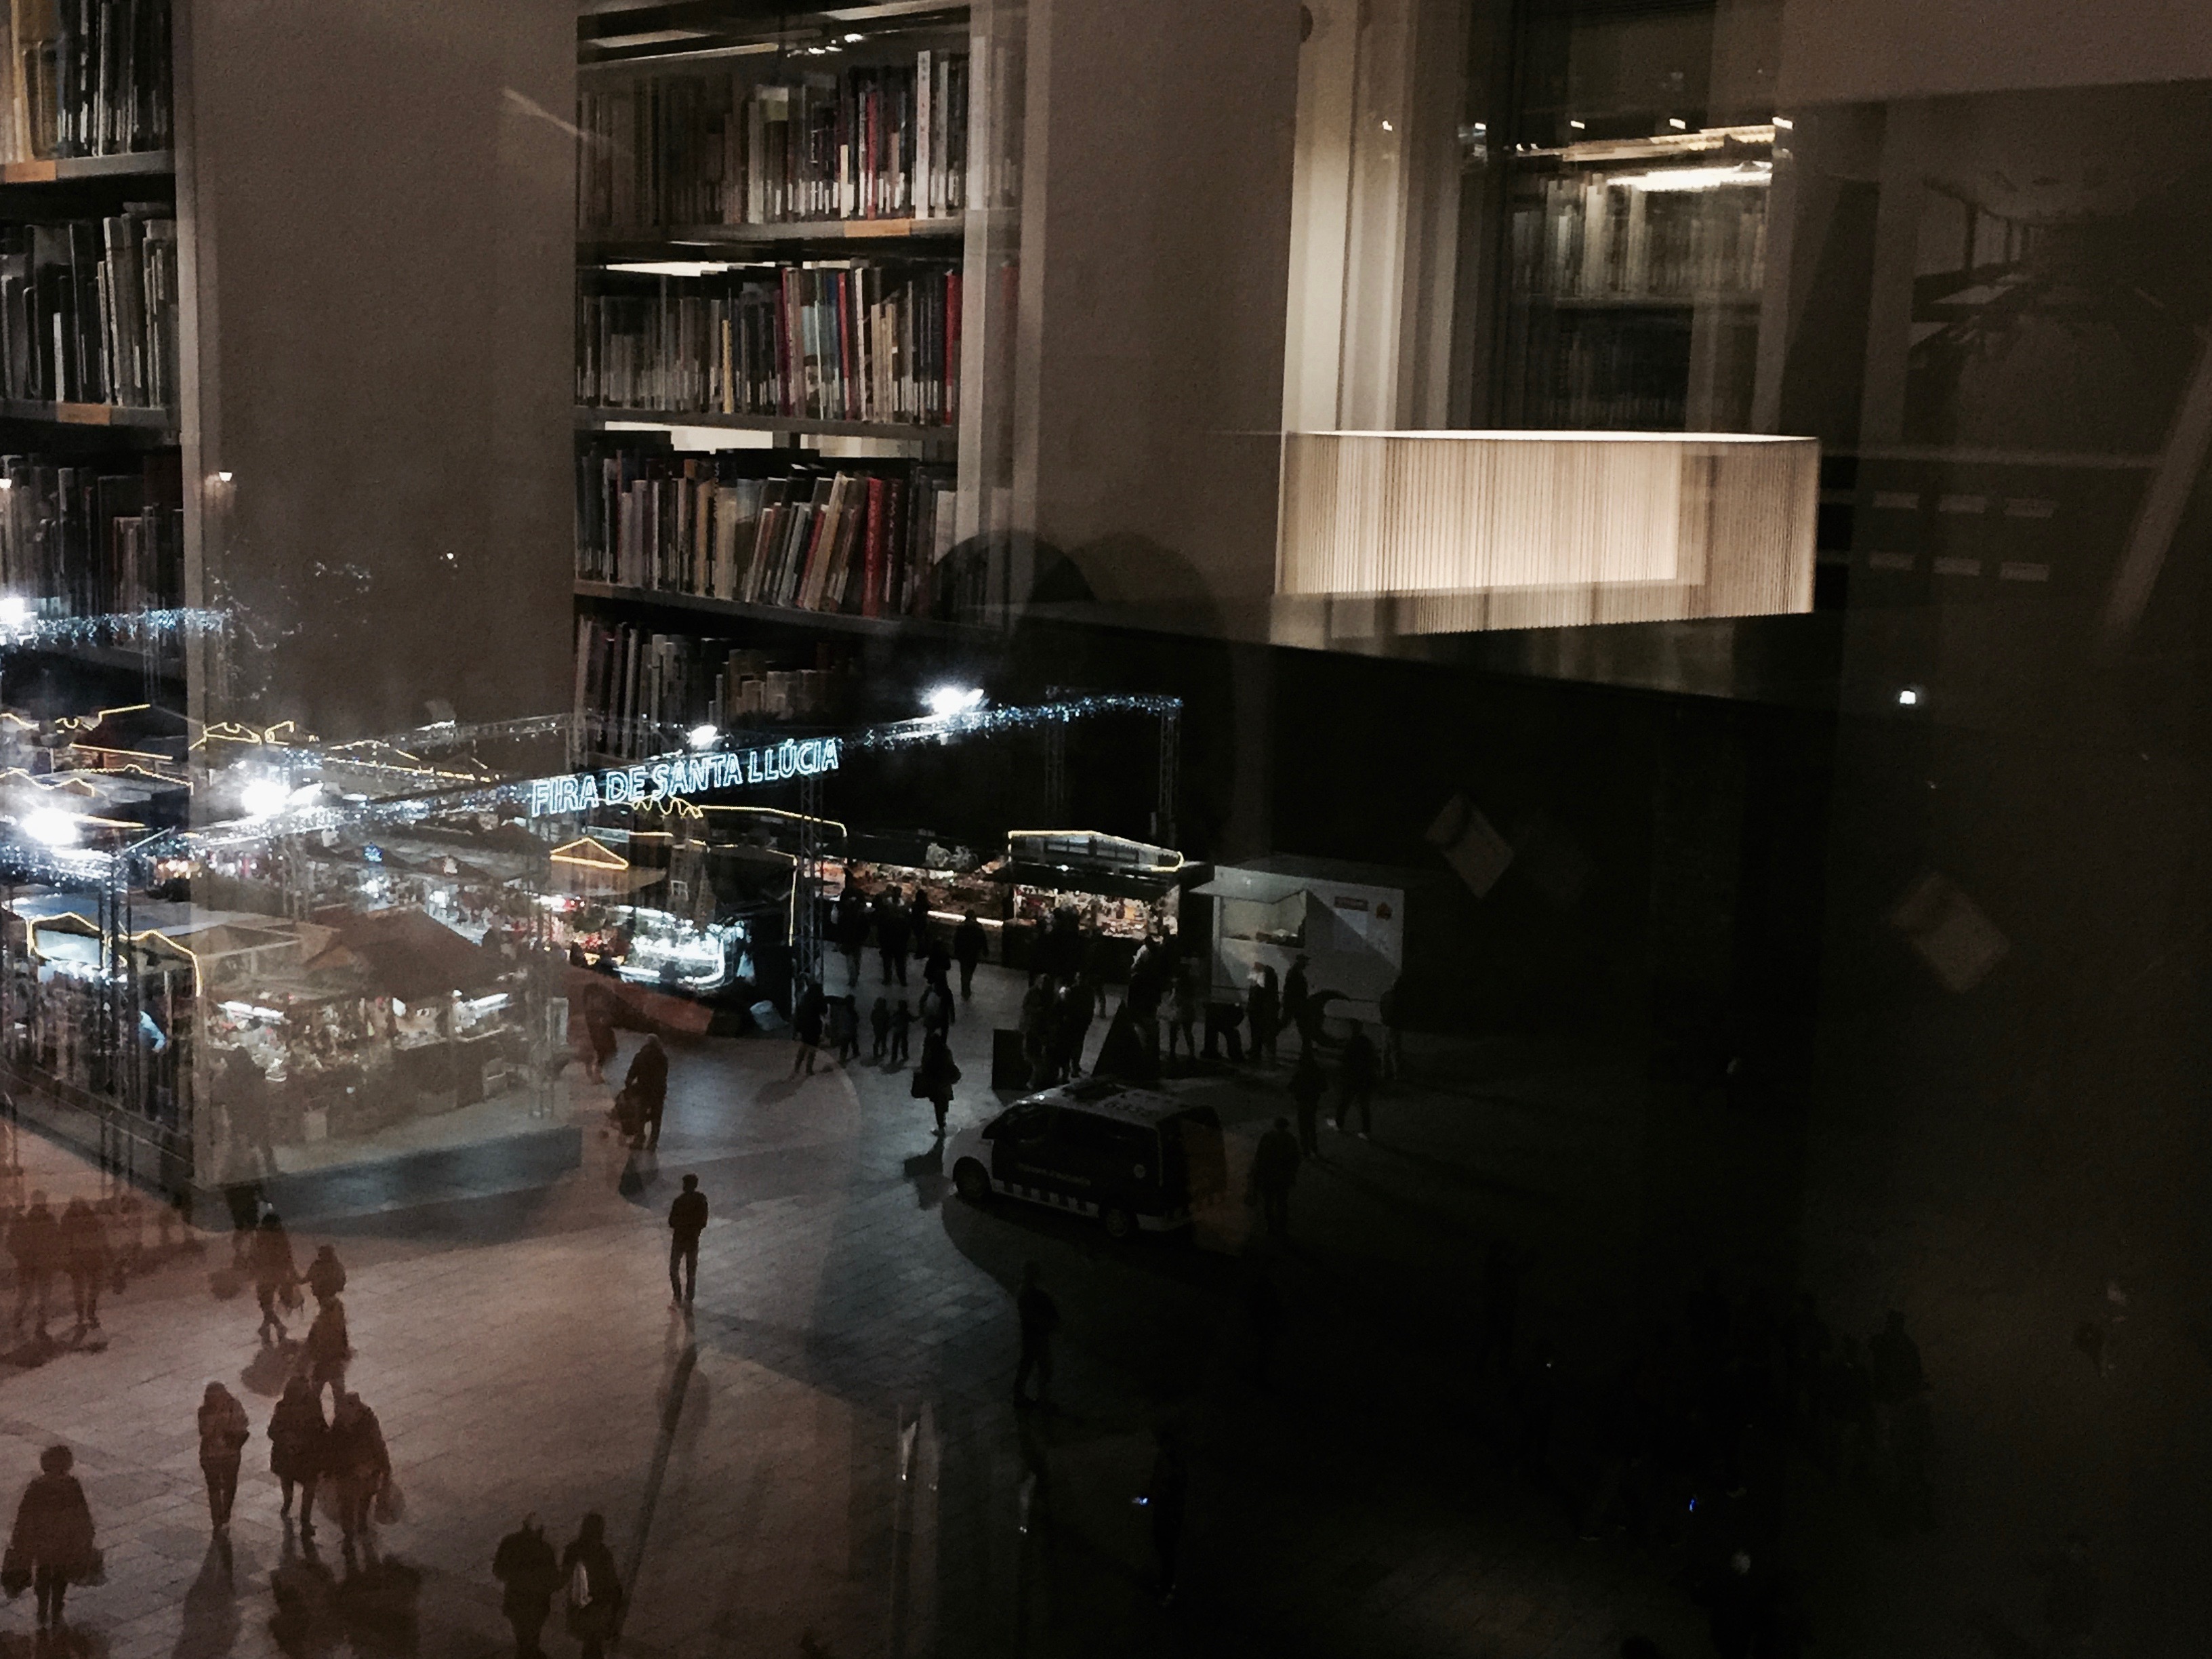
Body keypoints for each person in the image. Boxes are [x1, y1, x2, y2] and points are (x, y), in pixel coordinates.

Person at [9, 1445, 96, 1631]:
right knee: (60, 1574)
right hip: (63, 1540)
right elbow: (81, 1512)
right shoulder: (71, 1485)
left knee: (44, 1572)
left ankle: (43, 1606)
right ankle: (56, 1607)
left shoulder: (37, 1486)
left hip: (43, 1540)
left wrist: (20, 1538)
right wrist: (86, 1533)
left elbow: (25, 1514)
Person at [325, 1391, 390, 1551]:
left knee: (365, 1498)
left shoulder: (368, 1424)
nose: (344, 1413)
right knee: (346, 1504)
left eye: (347, 1409)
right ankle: (348, 1534)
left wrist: (383, 1466)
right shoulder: (340, 1424)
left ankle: (361, 1523)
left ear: (356, 1408)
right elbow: (333, 1448)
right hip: (347, 1472)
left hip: (367, 1470)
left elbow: (378, 1445)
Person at [493, 1513, 561, 1659]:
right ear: (541, 1530)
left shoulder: (509, 1543)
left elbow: (498, 1570)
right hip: (538, 1605)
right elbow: (553, 1580)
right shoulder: (545, 1550)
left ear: (524, 1525)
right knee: (532, 1636)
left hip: (516, 1601)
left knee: (522, 1635)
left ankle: (527, 1652)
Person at [268, 1375, 328, 1536]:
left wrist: (323, 1435)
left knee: (310, 1487)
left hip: (308, 1455)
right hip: (288, 1455)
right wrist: (288, 1440)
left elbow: (321, 1424)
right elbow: (273, 1431)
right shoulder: (282, 1408)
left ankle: (305, 1520)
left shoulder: (314, 1404)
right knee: (288, 1483)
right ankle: (287, 1503)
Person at [561, 1512, 624, 1659]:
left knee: (592, 1643)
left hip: (584, 1604)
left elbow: (566, 1574)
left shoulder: (574, 1549)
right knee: (593, 1643)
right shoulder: (602, 1553)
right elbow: (610, 1580)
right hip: (597, 1605)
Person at [1142, 1427, 1187, 1603]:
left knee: (1166, 1552)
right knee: (1164, 1551)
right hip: (1166, 1513)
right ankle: (1165, 1585)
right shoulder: (1170, 1461)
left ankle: (1167, 1590)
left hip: (1168, 1515)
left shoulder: (1171, 1465)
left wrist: (1151, 1497)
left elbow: (1165, 1489)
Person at [197, 1382, 251, 1530]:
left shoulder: (206, 1411)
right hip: (227, 1455)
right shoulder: (232, 1406)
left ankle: (220, 1518)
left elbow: (204, 1431)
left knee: (219, 1488)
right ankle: (222, 1518)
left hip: (213, 1455)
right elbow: (244, 1424)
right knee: (226, 1486)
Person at [9, 1191, 59, 1337]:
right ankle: (41, 1325)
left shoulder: (23, 1219)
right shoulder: (49, 1219)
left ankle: (17, 1322)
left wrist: (20, 1256)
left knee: (24, 1295)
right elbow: (57, 1241)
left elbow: (11, 1242)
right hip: (44, 1264)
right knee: (43, 1295)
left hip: (27, 1264)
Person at [58, 1197, 107, 1333]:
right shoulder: (68, 1221)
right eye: (76, 1205)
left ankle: (90, 1313)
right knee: (80, 1289)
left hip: (91, 1257)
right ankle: (82, 1315)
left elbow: (102, 1238)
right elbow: (64, 1241)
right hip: (79, 1259)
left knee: (92, 1288)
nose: (78, 1208)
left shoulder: (92, 1220)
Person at [1013, 1261, 1059, 1407]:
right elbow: (1034, 1317)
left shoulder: (1024, 1291)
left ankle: (1020, 1395)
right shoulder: (1030, 1294)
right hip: (1037, 1336)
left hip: (1030, 1335)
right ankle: (1042, 1399)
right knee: (1043, 1367)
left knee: (1027, 1363)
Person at [251, 1210, 300, 1344]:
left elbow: (254, 1256)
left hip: (264, 1275)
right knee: (269, 1304)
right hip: (279, 1274)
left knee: (266, 1304)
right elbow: (288, 1256)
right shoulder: (280, 1236)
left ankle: (273, 1327)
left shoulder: (259, 1236)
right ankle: (272, 1327)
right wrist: (292, 1272)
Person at [1250, 1116, 1302, 1239]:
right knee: (1282, 1203)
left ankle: (1270, 1226)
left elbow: (1259, 1157)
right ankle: (1282, 1227)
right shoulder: (1290, 1139)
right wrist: (1292, 1174)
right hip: (1283, 1177)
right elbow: (1296, 1159)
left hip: (1268, 1176)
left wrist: (1256, 1174)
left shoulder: (1267, 1137)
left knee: (1268, 1202)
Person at [623, 1033, 669, 1151]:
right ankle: (653, 1143)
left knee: (640, 1116)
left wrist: (628, 1086)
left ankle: (639, 1140)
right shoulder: (663, 1058)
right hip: (658, 1091)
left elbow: (632, 1072)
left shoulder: (640, 1056)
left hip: (643, 1090)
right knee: (656, 1118)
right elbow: (664, 1075)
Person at [668, 1174, 708, 1308]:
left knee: (674, 1268)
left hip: (679, 1239)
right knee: (691, 1270)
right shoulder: (701, 1200)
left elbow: (671, 1222)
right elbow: (703, 1221)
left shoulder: (679, 1201)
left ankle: (677, 1296)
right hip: (693, 1240)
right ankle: (689, 1297)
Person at [304, 1294, 352, 1406]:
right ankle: (339, 1415)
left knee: (315, 1396)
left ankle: (315, 1413)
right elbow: (344, 1345)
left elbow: (310, 1345)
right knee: (339, 1397)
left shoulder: (318, 1326)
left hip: (322, 1367)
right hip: (334, 1367)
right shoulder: (339, 1326)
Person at [1334, 1020, 1378, 1139]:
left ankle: (1339, 1124)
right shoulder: (1366, 1042)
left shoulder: (1350, 1043)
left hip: (1352, 1077)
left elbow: (1345, 1061)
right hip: (1364, 1077)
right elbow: (1372, 1059)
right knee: (1363, 1104)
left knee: (1345, 1102)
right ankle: (1366, 1130)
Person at [914, 1030, 960, 1136]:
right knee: (944, 1103)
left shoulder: (932, 1055)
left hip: (936, 1085)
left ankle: (941, 1127)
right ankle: (943, 1123)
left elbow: (927, 1069)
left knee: (938, 1106)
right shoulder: (946, 1052)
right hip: (946, 1083)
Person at [1288, 1048, 1326, 1157]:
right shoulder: (1317, 1071)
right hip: (1313, 1101)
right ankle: (1314, 1147)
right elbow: (1324, 1087)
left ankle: (1305, 1149)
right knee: (1312, 1125)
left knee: (1303, 1127)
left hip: (1302, 1101)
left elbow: (1291, 1087)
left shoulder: (1300, 1073)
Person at [1166, 958, 1201, 1063]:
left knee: (1174, 1031)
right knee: (1188, 1031)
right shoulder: (1191, 982)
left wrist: (1169, 1004)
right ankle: (1192, 1054)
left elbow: (1174, 996)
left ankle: (1172, 1053)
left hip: (1179, 1008)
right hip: (1189, 1008)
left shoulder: (1177, 982)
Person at [790, 980, 826, 1077]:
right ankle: (809, 1069)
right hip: (815, 1026)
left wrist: (797, 1029)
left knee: (804, 1046)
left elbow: (798, 1013)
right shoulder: (819, 999)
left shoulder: (804, 999)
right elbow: (824, 1011)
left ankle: (797, 1067)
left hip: (805, 1026)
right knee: (813, 1048)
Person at [875, 890, 910, 985]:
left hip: (888, 940)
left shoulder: (886, 909)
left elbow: (881, 926)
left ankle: (888, 979)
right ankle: (902, 980)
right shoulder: (904, 910)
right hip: (899, 941)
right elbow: (907, 927)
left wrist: (881, 939)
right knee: (900, 962)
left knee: (888, 961)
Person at [1247, 966, 1280, 1066]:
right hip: (1263, 1012)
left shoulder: (1260, 987)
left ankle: (1258, 1053)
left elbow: (1255, 998)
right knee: (1265, 1033)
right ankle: (1264, 1054)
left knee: (1258, 1032)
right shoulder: (1269, 988)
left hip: (1258, 1012)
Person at [1281, 956, 1311, 1057]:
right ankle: (1306, 1051)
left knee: (1287, 1023)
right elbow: (1294, 990)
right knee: (1303, 1027)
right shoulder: (1295, 973)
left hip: (1294, 1004)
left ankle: (1307, 1049)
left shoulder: (1294, 972)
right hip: (1296, 1004)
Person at [1378, 972, 1406, 1081]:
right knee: (1395, 1051)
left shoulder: (1386, 996)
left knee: (1385, 1050)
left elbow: (1381, 1007)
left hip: (1386, 1024)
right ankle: (1397, 1074)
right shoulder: (1399, 998)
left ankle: (1385, 1071)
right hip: (1394, 1025)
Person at [954, 911, 987, 998]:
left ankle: (965, 988)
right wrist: (985, 950)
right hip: (974, 953)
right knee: (970, 970)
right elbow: (983, 939)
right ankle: (967, 985)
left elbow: (956, 940)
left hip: (963, 953)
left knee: (964, 971)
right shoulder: (978, 927)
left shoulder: (961, 927)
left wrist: (956, 951)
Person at [305, 1243, 347, 1309]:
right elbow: (342, 1281)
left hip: (324, 1293)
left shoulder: (317, 1266)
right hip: (328, 1294)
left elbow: (306, 1279)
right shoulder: (337, 1266)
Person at [889, 997, 913, 1065]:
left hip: (897, 1031)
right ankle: (904, 1056)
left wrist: (890, 1026)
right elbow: (912, 1019)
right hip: (903, 1031)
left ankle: (894, 1058)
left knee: (896, 1045)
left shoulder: (897, 1013)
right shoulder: (906, 1014)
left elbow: (892, 1022)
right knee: (903, 1044)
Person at [869, 995, 892, 1061]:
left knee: (878, 1040)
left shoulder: (875, 1011)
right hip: (883, 1028)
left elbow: (872, 1019)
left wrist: (875, 1025)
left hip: (877, 1028)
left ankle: (876, 1054)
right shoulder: (885, 1011)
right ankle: (882, 1053)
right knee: (883, 1041)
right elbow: (888, 1020)